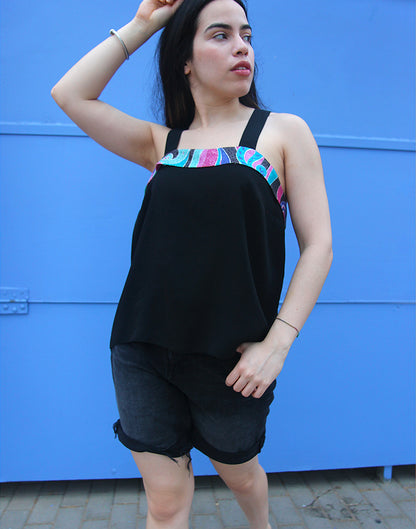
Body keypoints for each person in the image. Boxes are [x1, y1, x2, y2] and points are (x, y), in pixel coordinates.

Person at [51, 0, 333, 527]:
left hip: (233, 360)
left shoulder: (282, 132)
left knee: (239, 473)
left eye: (246, 35)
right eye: (220, 35)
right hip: (141, 346)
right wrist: (145, 24)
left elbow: (318, 246)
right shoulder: (162, 144)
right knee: (164, 503)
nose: (241, 46)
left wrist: (277, 344)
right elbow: (70, 94)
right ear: (184, 58)